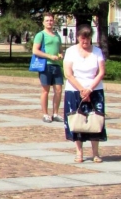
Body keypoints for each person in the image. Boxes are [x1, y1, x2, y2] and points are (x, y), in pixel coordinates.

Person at [63, 25, 106, 163]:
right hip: (74, 90)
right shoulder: (70, 51)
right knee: (77, 121)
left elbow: (101, 72)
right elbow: (68, 74)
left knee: (95, 120)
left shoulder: (97, 52)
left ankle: (95, 153)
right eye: (82, 39)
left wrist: (90, 89)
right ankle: (79, 152)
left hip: (94, 90)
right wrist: (82, 89)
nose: (85, 42)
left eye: (87, 39)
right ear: (78, 38)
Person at [33, 13, 64, 123]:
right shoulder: (40, 35)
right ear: (43, 22)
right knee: (45, 90)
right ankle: (45, 114)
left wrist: (60, 54)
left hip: (56, 66)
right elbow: (35, 50)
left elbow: (60, 50)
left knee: (59, 90)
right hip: (45, 66)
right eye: (47, 20)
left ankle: (55, 113)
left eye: (51, 20)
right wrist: (49, 56)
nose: (49, 22)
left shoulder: (57, 36)